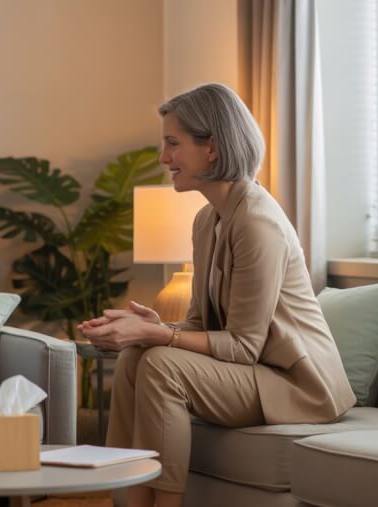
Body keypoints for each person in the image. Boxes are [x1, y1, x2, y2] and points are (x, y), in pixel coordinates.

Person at [78, 83, 355, 507]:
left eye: (173, 144)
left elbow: (244, 346)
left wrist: (161, 338)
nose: (163, 157)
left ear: (213, 148)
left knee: (163, 366)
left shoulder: (258, 224)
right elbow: (198, 324)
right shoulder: (208, 220)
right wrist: (152, 328)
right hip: (253, 370)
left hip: (295, 385)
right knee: (137, 357)